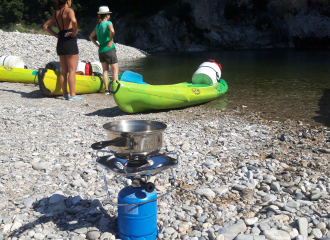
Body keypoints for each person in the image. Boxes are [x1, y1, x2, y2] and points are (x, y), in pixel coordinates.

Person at [43, 0, 83, 100]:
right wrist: (75, 32)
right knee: (72, 70)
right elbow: (74, 21)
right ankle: (73, 95)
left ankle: (65, 94)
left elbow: (45, 26)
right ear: (67, 1)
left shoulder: (56, 13)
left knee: (63, 71)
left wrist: (56, 34)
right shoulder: (69, 10)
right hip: (69, 40)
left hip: (60, 41)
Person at [89, 6, 119, 95]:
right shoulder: (108, 23)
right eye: (109, 14)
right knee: (115, 71)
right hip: (109, 49)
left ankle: (107, 90)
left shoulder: (97, 26)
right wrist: (110, 41)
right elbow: (112, 31)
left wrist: (98, 45)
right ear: (106, 15)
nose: (109, 15)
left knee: (105, 71)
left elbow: (91, 37)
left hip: (101, 50)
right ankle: (115, 89)